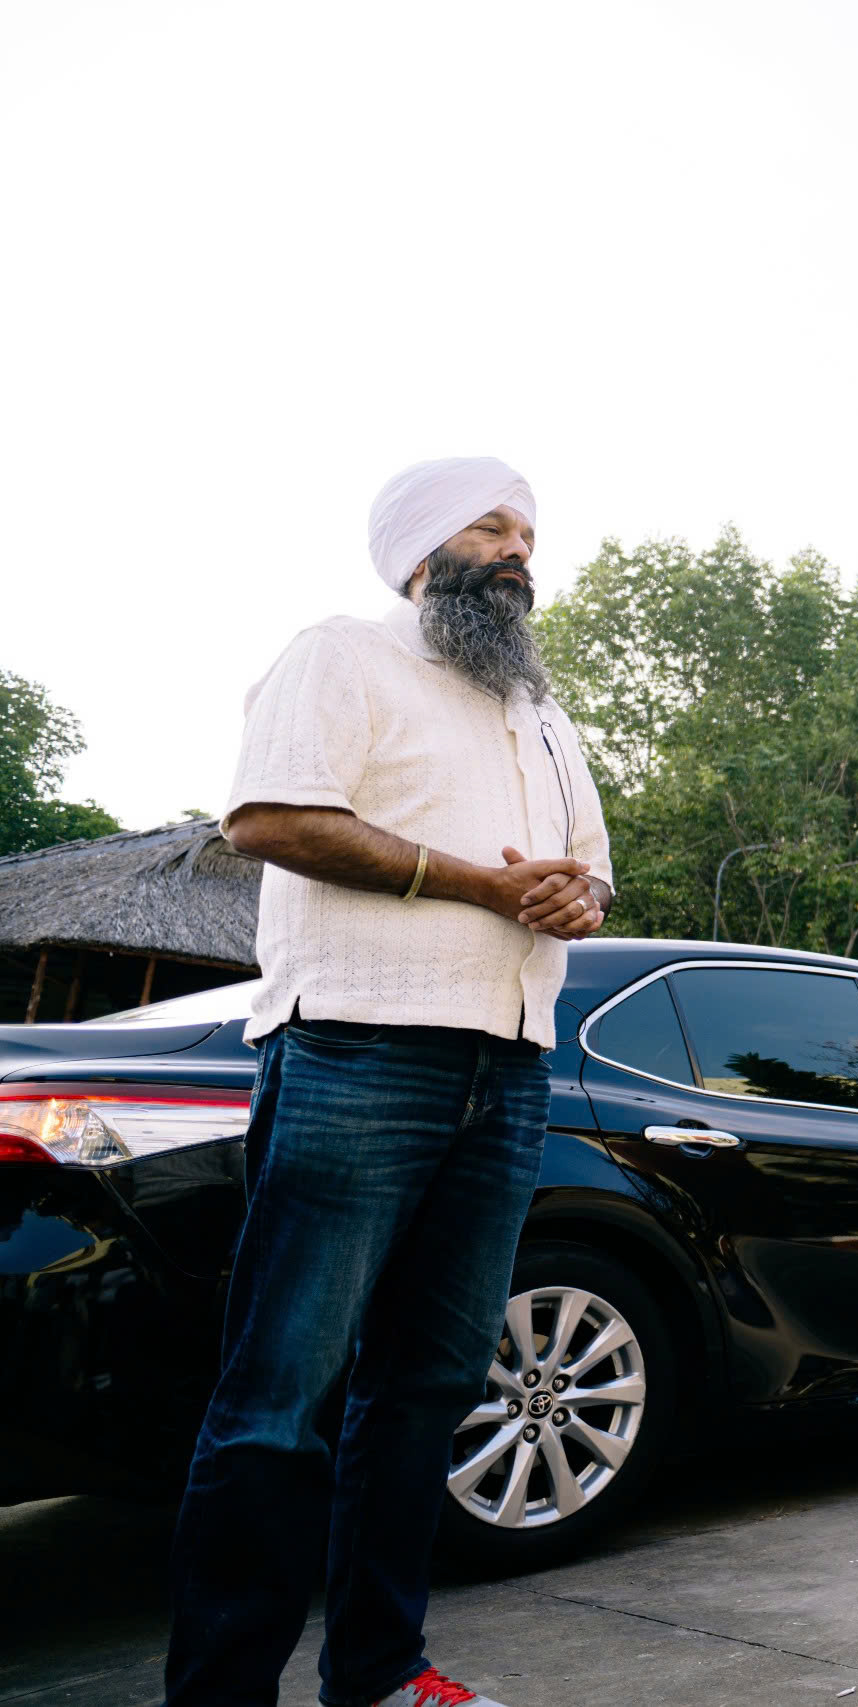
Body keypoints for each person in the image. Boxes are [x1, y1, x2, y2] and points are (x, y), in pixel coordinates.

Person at [166, 458, 614, 1707]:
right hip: (362, 1048)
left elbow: (590, 877)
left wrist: (577, 896)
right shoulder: (342, 655)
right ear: (422, 549)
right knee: (279, 1398)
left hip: (510, 1063)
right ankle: (219, 1692)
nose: (518, 546)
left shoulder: (542, 711)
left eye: (529, 528)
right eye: (490, 524)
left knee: (423, 1392)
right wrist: (477, 882)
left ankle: (378, 1670)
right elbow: (268, 819)